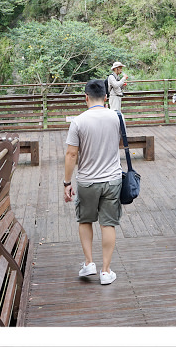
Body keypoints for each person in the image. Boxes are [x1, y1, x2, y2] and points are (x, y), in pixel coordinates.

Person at [63, 79, 123, 286]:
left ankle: (89, 263)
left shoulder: (78, 121)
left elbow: (71, 155)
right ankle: (106, 271)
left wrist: (66, 183)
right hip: (112, 180)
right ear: (106, 97)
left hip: (87, 181)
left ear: (85, 97)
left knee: (85, 220)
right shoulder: (117, 117)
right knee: (108, 224)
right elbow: (122, 143)